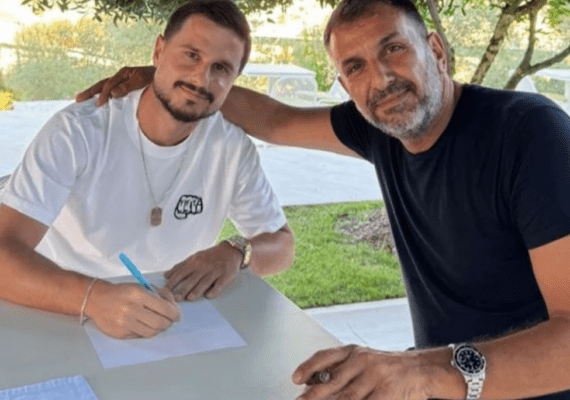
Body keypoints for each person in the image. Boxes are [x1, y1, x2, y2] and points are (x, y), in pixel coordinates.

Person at [76, 0, 570, 399]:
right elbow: (275, 120)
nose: (381, 79)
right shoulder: (380, 129)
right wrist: (167, 77)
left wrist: (422, 371)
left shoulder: (529, 132)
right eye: (355, 67)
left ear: (436, 49)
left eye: (394, 48)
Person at [0, 0, 294, 341]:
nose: (201, 78)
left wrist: (238, 251)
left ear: (233, 81)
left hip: (173, 320)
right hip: (65, 312)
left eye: (221, 68)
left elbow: (282, 246)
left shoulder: (231, 148)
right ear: (158, 51)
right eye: (191, 55)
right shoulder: (77, 132)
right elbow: (4, 251)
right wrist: (93, 299)